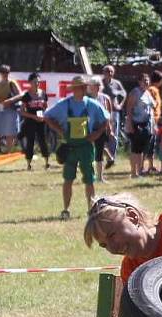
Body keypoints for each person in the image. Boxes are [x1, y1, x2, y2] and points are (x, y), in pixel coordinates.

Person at [43, 75, 109, 220]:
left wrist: (96, 134)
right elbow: (47, 117)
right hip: (70, 147)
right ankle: (65, 210)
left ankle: (91, 210)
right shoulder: (64, 104)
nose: (83, 89)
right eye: (80, 87)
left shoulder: (92, 104)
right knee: (68, 179)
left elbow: (106, 119)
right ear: (75, 89)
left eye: (84, 87)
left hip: (86, 147)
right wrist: (60, 131)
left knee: (89, 179)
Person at [125, 73, 155, 178]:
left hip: (146, 124)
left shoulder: (147, 93)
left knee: (142, 149)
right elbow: (129, 109)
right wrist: (130, 124)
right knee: (135, 149)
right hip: (136, 123)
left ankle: (139, 171)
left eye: (147, 80)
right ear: (139, 81)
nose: (146, 82)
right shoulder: (135, 92)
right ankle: (133, 172)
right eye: (144, 80)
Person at [18, 72, 50, 170]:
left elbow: (45, 106)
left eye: (38, 82)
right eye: (35, 82)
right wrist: (33, 116)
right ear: (30, 82)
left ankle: (46, 162)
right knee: (30, 142)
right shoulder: (26, 96)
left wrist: (45, 113)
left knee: (43, 141)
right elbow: (22, 112)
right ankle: (28, 164)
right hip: (30, 122)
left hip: (41, 121)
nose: (37, 84)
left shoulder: (43, 93)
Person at [0, 65, 22, 155]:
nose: (5, 74)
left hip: (10, 108)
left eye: (7, 72)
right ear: (0, 73)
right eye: (3, 72)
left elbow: (20, 95)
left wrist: (9, 101)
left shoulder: (12, 83)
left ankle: (8, 153)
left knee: (9, 132)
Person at [88, 76, 114, 183]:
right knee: (88, 152)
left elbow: (109, 115)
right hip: (89, 128)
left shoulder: (105, 98)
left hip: (101, 128)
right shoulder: (87, 99)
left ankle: (100, 177)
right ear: (91, 86)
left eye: (99, 85)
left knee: (99, 152)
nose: (97, 87)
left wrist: (110, 128)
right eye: (95, 85)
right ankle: (90, 174)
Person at [101, 65, 126, 165]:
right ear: (103, 72)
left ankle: (112, 157)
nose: (109, 73)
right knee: (102, 133)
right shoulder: (100, 83)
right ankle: (103, 156)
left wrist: (120, 104)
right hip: (102, 111)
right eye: (107, 71)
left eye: (111, 71)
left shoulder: (117, 83)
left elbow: (124, 93)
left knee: (113, 134)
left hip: (114, 112)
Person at [145, 71, 162, 175]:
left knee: (152, 143)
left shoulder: (154, 89)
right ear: (160, 80)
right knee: (150, 143)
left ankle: (150, 165)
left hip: (155, 120)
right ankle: (149, 165)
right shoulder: (153, 90)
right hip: (152, 120)